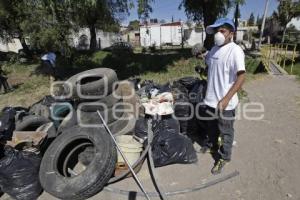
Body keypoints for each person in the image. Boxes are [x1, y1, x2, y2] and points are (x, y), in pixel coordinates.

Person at [199, 18, 246, 175]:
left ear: (231, 34)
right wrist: (201, 54)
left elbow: (241, 77)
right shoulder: (213, 49)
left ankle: (224, 157)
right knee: (212, 128)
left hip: (225, 103)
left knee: (226, 131)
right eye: (217, 31)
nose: (218, 34)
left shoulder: (235, 51)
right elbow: (209, 61)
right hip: (211, 100)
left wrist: (226, 99)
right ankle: (213, 145)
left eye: (222, 31)